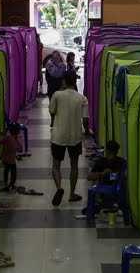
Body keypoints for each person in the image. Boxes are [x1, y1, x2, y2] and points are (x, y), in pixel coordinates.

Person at [48, 73, 89, 207]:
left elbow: (52, 111)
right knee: (74, 166)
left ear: (64, 81)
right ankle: (72, 194)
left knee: (56, 166)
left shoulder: (57, 95)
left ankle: (59, 187)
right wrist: (87, 132)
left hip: (58, 135)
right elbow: (85, 119)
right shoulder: (82, 98)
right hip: (75, 137)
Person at [81, 140, 125, 224]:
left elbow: (122, 176)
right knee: (93, 193)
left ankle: (91, 213)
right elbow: (89, 177)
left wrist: (111, 174)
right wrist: (102, 174)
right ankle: (94, 210)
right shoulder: (103, 162)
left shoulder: (119, 162)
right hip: (109, 188)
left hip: (112, 188)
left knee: (92, 192)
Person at [0, 122, 21, 193]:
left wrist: (1, 135)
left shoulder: (8, 138)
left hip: (6, 159)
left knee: (7, 172)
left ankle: (7, 185)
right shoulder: (11, 139)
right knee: (13, 173)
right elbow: (20, 149)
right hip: (10, 160)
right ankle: (10, 185)